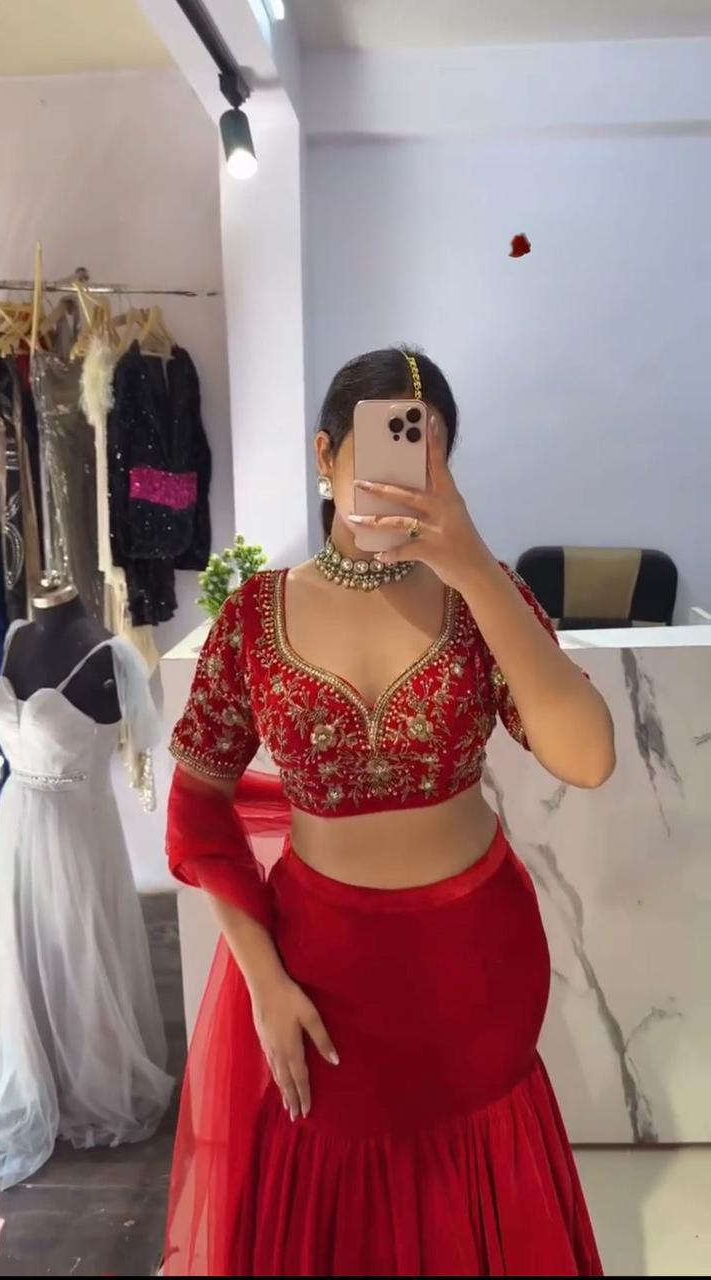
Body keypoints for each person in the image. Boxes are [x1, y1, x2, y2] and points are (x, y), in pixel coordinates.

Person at [165, 349, 615, 1277]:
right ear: (325, 455)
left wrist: (473, 564)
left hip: (475, 966)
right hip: (321, 972)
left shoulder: (483, 600)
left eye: (422, 455)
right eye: (375, 452)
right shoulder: (254, 617)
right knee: (332, 1208)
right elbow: (199, 809)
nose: (395, 479)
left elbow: (590, 757)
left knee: (477, 1198)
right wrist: (263, 980)